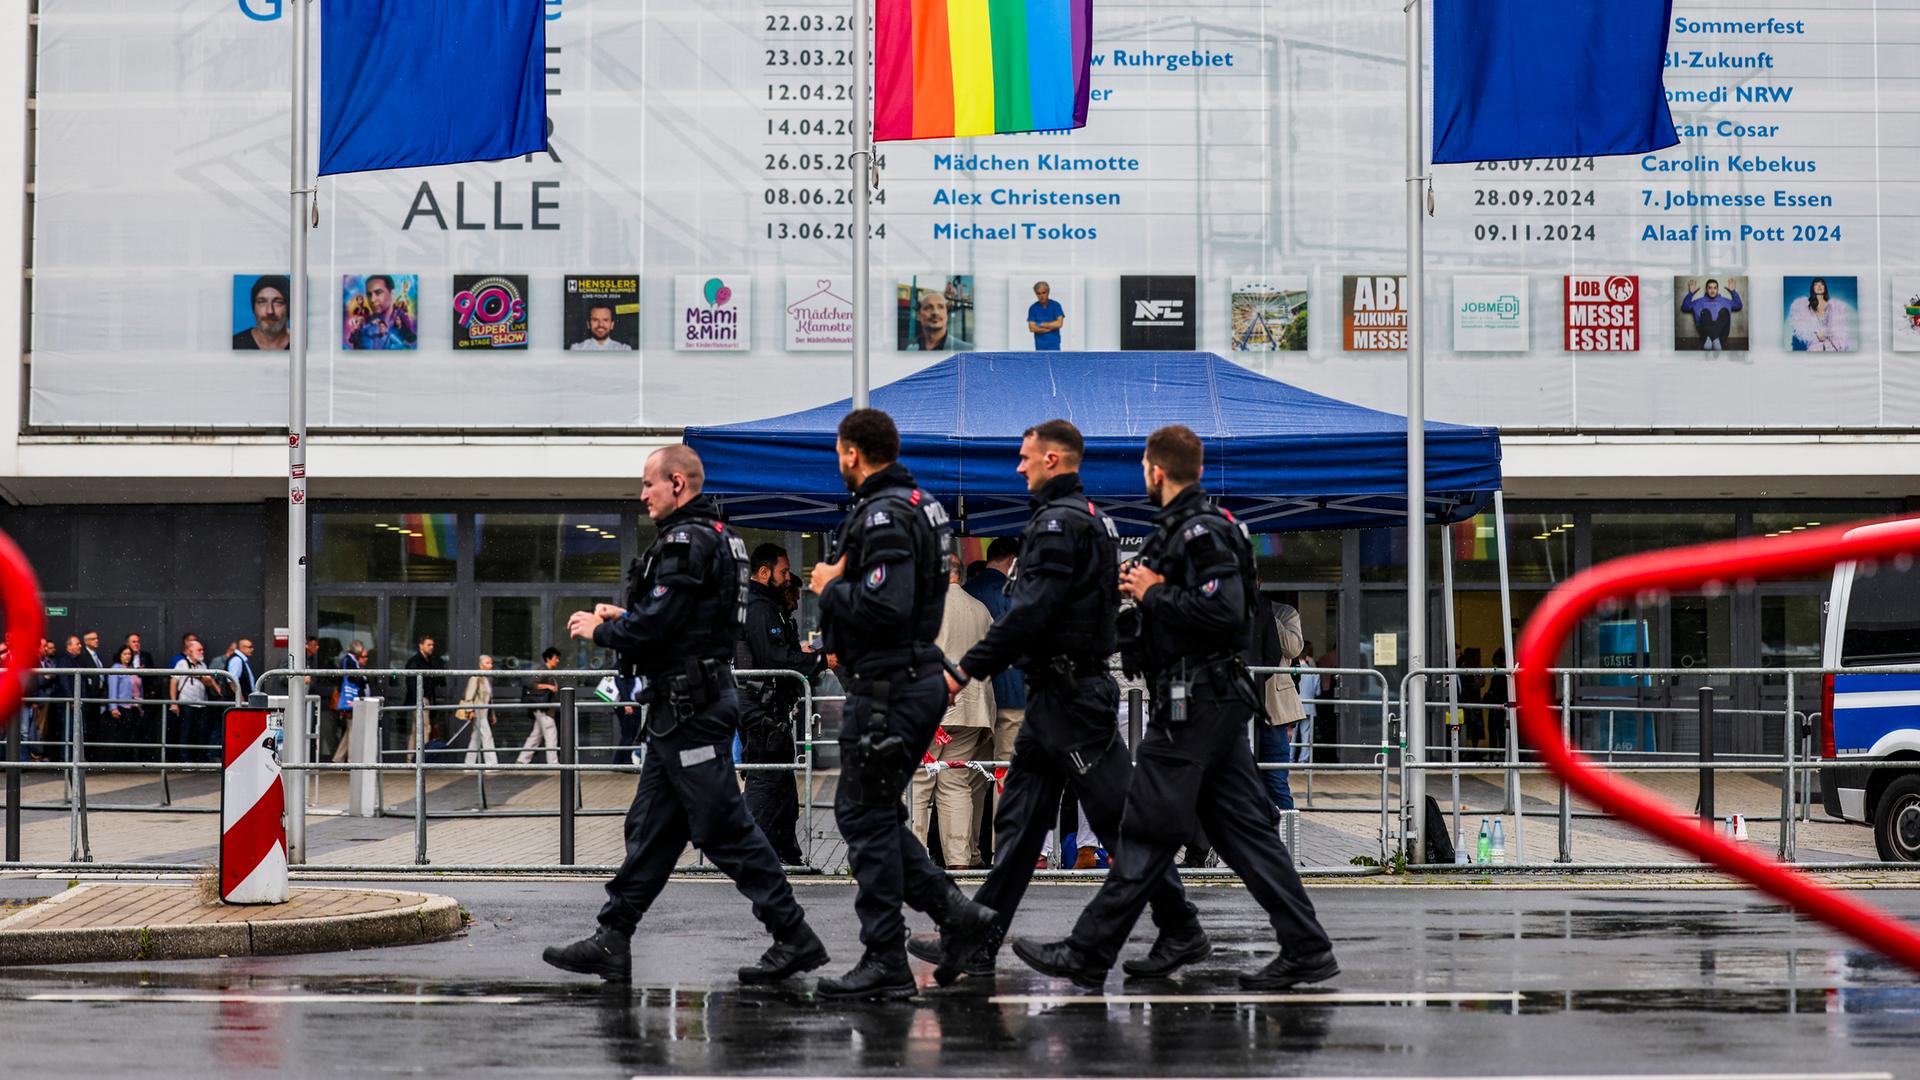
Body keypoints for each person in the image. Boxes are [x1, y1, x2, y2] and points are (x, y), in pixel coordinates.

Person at [1012, 424, 1338, 991]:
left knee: (1142, 828)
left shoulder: (1200, 532)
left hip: (1194, 704)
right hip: (1206, 701)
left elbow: (1225, 613)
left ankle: (1090, 951)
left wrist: (1152, 592)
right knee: (1245, 834)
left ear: (1155, 471)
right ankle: (1304, 946)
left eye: (1144, 467)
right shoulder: (1198, 528)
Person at [918, 419, 1204, 986]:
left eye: (1026, 457)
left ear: (1053, 459)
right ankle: (980, 937)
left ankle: (1179, 925)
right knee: (1020, 825)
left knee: (1119, 820)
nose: (1019, 466)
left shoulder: (1057, 524)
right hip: (1058, 698)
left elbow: (1032, 613)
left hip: (1072, 701)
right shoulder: (1088, 520)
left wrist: (966, 670)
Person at [543, 444, 829, 987]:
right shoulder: (718, 539)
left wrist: (601, 629)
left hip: (691, 710)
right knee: (649, 829)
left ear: (679, 483)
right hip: (684, 709)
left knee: (727, 832)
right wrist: (630, 614)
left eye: (649, 483)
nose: (643, 493)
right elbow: (685, 620)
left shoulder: (685, 540)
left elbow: (659, 628)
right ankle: (613, 937)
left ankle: (794, 935)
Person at [807, 408, 995, 1000]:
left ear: (852, 453)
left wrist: (828, 589)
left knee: (861, 816)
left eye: (839, 453)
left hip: (890, 685)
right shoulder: (923, 504)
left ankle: (887, 956)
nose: (838, 463)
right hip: (906, 680)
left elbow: (885, 607)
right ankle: (961, 919)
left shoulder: (887, 511)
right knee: (876, 816)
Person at [736, 543, 821, 867]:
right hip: (760, 708)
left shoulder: (768, 606)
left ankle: (786, 851)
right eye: (783, 572)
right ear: (763, 572)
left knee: (782, 782)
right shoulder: (759, 607)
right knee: (767, 778)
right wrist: (819, 659)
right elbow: (774, 658)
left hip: (770, 707)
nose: (789, 579)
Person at [910, 553, 995, 870]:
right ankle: (959, 860)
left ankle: (916, 859)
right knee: (956, 782)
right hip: (971, 710)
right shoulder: (979, 609)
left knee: (918, 783)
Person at [962, 537, 1026, 842]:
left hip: (973, 697)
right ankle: (1003, 847)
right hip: (1011, 694)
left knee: (971, 777)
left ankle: (968, 850)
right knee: (1005, 773)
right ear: (1012, 560)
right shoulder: (1013, 593)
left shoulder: (966, 590)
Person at [1251, 594, 1306, 812]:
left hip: (1274, 709)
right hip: (1240, 706)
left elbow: (1293, 649)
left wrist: (1267, 616)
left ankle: (1286, 838)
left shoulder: (1284, 612)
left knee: (1275, 779)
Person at [169, 639, 220, 764]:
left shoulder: (202, 665)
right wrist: (173, 702)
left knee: (201, 731)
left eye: (202, 649)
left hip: (201, 703)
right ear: (190, 650)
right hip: (186, 702)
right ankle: (184, 758)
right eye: (199, 649)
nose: (202, 652)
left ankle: (200, 757)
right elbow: (173, 682)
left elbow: (208, 683)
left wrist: (200, 676)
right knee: (185, 731)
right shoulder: (182, 663)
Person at [517, 648, 563, 766]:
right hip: (544, 709)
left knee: (536, 735)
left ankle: (522, 760)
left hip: (543, 709)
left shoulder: (549, 671)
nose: (557, 660)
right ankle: (552, 763)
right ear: (548, 658)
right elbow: (532, 684)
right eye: (555, 658)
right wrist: (548, 686)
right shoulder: (543, 670)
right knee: (551, 734)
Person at [347, 274, 418, 350]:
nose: (372, 300)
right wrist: (355, 332)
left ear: (392, 293)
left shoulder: (402, 318)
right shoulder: (366, 322)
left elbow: (411, 339)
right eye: (369, 295)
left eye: (378, 292)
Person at [401, 635, 445, 753]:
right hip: (419, 699)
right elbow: (411, 683)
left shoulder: (427, 661)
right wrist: (418, 699)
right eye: (429, 645)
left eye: (433, 645)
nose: (432, 647)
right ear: (421, 645)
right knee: (424, 729)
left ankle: (412, 759)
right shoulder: (415, 661)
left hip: (424, 699)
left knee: (417, 730)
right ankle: (421, 758)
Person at [1789, 276, 1854, 352]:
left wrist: (1831, 336)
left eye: (1822, 284)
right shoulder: (1805, 307)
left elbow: (1840, 329)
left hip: (1832, 347)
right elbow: (1802, 327)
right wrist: (1816, 334)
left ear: (1825, 287)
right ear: (1812, 288)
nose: (1819, 286)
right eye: (1816, 284)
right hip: (1814, 348)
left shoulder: (1835, 307)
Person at [1680, 277, 1743, 351]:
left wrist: (1733, 291)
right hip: (1705, 335)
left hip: (1722, 335)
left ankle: (1713, 338)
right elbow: (1685, 307)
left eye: (1715, 288)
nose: (1712, 290)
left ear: (1717, 289)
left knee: (1724, 311)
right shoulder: (1699, 302)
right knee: (1705, 312)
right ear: (1706, 290)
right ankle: (1715, 339)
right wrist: (1690, 294)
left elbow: (1739, 305)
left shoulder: (1725, 301)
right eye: (1710, 288)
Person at [332, 641, 369, 763]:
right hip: (351, 699)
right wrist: (363, 680)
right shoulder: (350, 661)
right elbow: (354, 678)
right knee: (352, 729)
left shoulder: (349, 660)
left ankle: (338, 758)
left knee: (350, 730)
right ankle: (352, 760)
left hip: (351, 699)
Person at [233, 274, 291, 351]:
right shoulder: (235, 344)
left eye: (278, 302)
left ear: (289, 308)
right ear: (254, 308)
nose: (269, 311)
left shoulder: (302, 343)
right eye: (262, 302)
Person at [459, 654, 498, 767]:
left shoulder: (487, 679)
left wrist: (493, 714)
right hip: (478, 712)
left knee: (475, 739)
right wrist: (470, 710)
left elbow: (489, 699)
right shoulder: (476, 677)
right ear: (481, 665)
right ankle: (491, 764)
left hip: (484, 712)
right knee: (487, 736)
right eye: (487, 663)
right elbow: (469, 695)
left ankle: (469, 764)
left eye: (491, 663)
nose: (490, 666)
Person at [904, 288, 972, 352]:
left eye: (941, 307)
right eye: (928, 308)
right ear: (918, 315)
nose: (935, 312)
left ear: (946, 313)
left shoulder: (967, 350)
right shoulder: (911, 350)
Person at [1293, 643, 1319, 765]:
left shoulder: (1293, 671)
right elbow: (1317, 691)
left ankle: (1290, 759)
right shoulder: (1313, 672)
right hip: (1309, 706)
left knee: (1292, 735)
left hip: (1295, 706)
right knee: (1306, 735)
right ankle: (1304, 760)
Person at [1026, 281, 1066, 351]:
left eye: (1044, 293)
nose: (1041, 296)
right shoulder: (1033, 308)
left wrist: (1040, 324)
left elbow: (1059, 324)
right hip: (1040, 346)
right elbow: (1032, 328)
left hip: (1054, 345)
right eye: (1038, 293)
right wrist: (1050, 328)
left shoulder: (1056, 305)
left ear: (1048, 292)